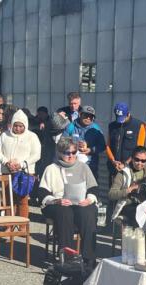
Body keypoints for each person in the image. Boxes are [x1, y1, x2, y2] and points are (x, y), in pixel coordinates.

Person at [39, 137, 98, 267]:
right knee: (65, 212)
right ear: (60, 153)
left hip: (80, 202)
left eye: (73, 152)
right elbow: (43, 193)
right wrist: (56, 200)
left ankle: (89, 258)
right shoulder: (51, 168)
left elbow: (93, 188)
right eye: (67, 153)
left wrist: (89, 200)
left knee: (88, 212)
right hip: (57, 204)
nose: (71, 156)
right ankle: (68, 257)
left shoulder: (83, 167)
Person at [109, 146, 146, 247]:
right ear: (132, 158)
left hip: (145, 204)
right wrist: (128, 190)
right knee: (138, 216)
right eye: (136, 159)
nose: (139, 163)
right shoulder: (123, 173)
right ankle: (136, 248)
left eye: (143, 161)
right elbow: (111, 194)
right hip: (127, 205)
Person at [0, 109, 41, 218]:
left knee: (22, 200)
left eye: (21, 126)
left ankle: (22, 225)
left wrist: (22, 164)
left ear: (25, 125)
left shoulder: (32, 137)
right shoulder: (4, 135)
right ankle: (8, 224)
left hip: (25, 173)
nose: (18, 128)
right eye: (16, 126)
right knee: (8, 199)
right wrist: (6, 162)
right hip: (7, 171)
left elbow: (36, 154)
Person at [62, 105, 106, 179]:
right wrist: (74, 147)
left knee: (90, 187)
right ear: (80, 114)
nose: (88, 118)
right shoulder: (71, 126)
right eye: (86, 115)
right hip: (72, 164)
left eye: (91, 116)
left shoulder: (96, 129)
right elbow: (62, 142)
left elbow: (102, 146)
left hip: (90, 165)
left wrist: (90, 150)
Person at [39, 111, 70, 177]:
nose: (56, 132)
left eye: (59, 130)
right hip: (50, 165)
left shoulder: (69, 133)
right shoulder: (46, 134)